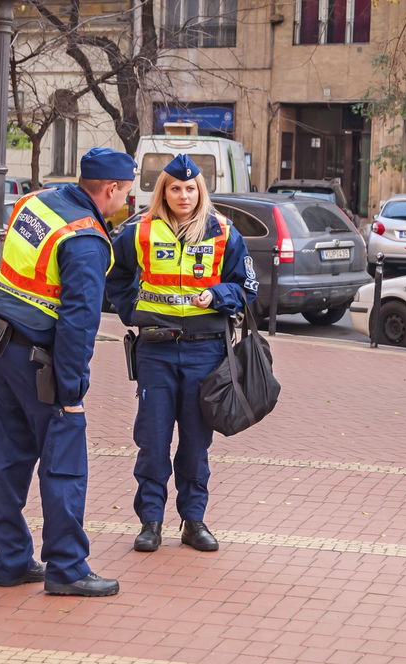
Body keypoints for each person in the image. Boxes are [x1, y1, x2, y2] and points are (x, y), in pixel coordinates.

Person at [0, 147, 136, 596]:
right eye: (125, 193)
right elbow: (78, 322)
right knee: (65, 466)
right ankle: (67, 569)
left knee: (10, 459)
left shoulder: (38, 202)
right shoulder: (85, 238)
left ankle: (10, 561)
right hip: (39, 362)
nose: (125, 202)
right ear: (110, 189)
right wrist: (71, 388)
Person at [106, 154, 257, 553]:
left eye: (190, 188)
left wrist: (219, 294)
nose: (183, 195)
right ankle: (151, 522)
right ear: (163, 192)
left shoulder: (223, 231)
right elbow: (115, 273)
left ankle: (194, 521)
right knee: (153, 442)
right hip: (155, 351)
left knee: (194, 445)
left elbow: (247, 286)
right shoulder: (139, 231)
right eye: (175, 188)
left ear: (200, 191)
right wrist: (129, 310)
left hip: (206, 352)